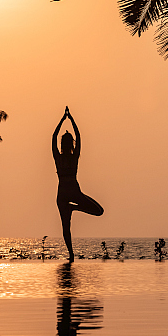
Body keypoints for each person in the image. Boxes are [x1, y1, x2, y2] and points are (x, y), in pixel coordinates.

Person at [53, 107, 104, 262]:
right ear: (72, 144)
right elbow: (79, 136)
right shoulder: (73, 157)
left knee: (65, 227)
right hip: (73, 192)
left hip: (63, 193)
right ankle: (74, 208)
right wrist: (71, 119)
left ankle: (71, 255)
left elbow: (53, 136)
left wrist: (63, 119)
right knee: (99, 211)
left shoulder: (59, 157)